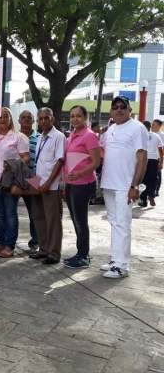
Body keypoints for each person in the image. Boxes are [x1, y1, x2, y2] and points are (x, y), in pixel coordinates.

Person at [100, 96, 147, 278]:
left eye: (122, 107)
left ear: (129, 110)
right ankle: (115, 259)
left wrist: (134, 185)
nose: (119, 110)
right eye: (115, 107)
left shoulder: (137, 128)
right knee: (114, 222)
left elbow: (142, 159)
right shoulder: (111, 128)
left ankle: (123, 266)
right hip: (109, 183)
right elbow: (105, 152)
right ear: (111, 111)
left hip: (124, 185)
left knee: (123, 224)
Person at [0, 107, 30, 258]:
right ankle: (0, 242)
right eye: (0, 117)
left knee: (10, 213)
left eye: (6, 116)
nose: (2, 119)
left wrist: (13, 163)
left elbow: (26, 158)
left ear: (10, 118)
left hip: (8, 180)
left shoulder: (17, 137)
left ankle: (10, 245)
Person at [63, 105, 102, 269]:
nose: (75, 119)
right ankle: (80, 253)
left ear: (85, 117)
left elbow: (96, 162)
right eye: (72, 116)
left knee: (80, 221)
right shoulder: (72, 135)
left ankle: (83, 256)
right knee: (75, 219)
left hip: (83, 184)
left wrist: (80, 174)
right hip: (71, 183)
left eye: (78, 116)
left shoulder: (89, 136)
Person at [29, 108, 65, 265]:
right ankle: (43, 250)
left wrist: (49, 182)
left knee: (53, 221)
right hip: (38, 183)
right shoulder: (40, 138)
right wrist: (36, 182)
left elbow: (60, 161)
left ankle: (54, 254)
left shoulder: (58, 137)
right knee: (39, 218)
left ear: (53, 119)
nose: (43, 121)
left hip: (52, 186)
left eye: (46, 118)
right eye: (41, 118)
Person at [18, 110, 39, 251]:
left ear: (33, 121)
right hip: (15, 179)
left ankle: (36, 240)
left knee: (34, 212)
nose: (26, 119)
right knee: (10, 212)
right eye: (23, 117)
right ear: (19, 120)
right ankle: (8, 240)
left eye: (29, 118)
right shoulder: (14, 136)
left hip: (33, 178)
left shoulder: (40, 137)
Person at [138, 120, 163, 207]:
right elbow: (160, 151)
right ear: (149, 127)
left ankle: (143, 200)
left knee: (142, 180)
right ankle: (151, 195)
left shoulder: (139, 137)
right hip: (153, 160)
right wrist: (161, 162)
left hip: (143, 160)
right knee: (153, 179)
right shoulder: (156, 136)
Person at [152, 119, 164, 196]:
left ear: (159, 126)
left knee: (158, 174)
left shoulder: (162, 135)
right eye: (152, 124)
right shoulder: (151, 134)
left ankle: (157, 189)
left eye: (154, 124)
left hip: (158, 157)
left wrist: (161, 159)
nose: (152, 126)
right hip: (151, 157)